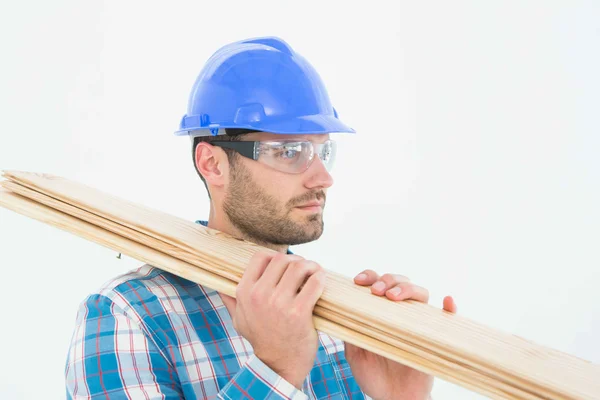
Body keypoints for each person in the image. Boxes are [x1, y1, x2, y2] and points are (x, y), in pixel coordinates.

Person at [65, 36, 457, 400]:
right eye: (289, 152)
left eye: (322, 151)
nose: (323, 177)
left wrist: (401, 399)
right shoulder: (129, 317)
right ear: (213, 164)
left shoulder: (341, 326)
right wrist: (276, 369)